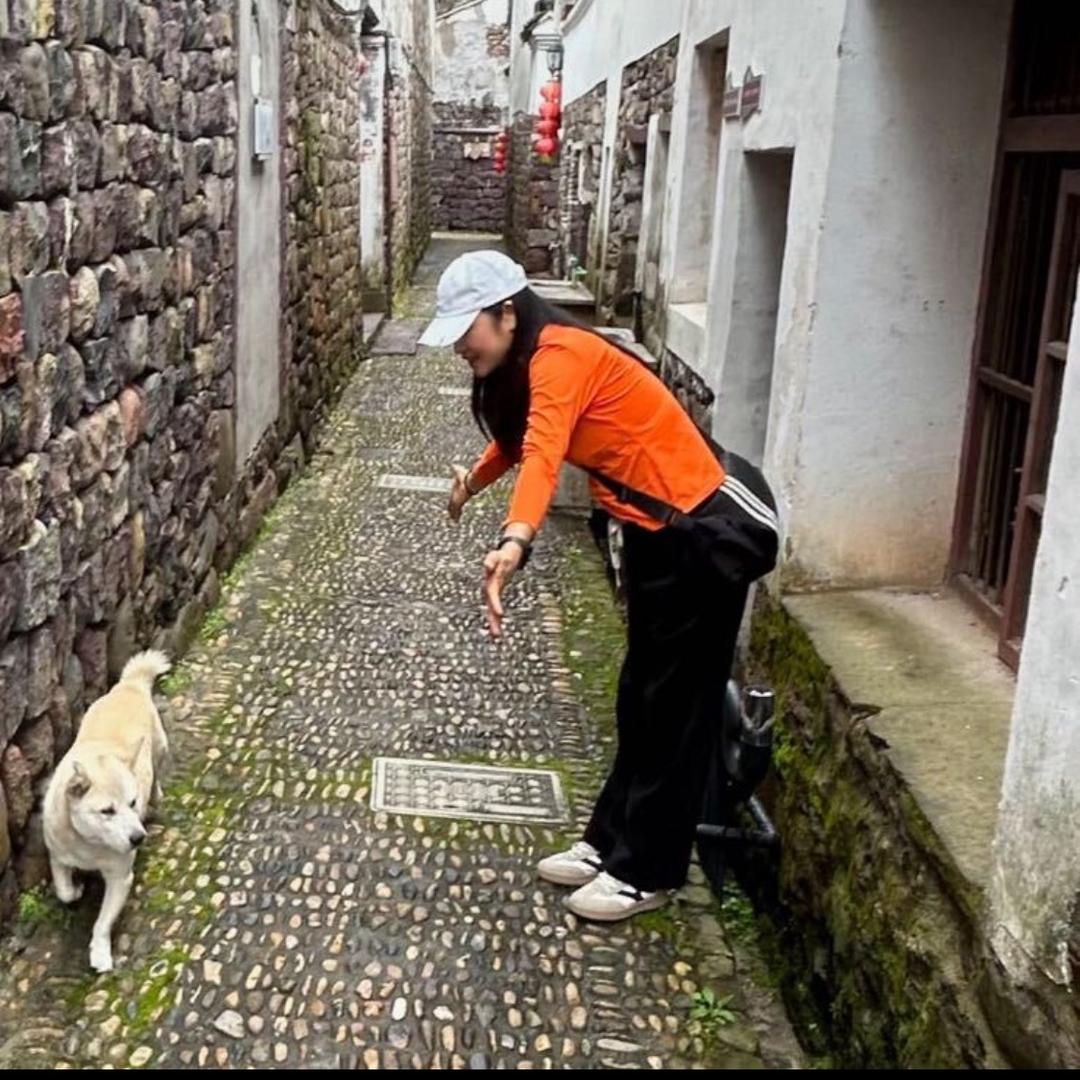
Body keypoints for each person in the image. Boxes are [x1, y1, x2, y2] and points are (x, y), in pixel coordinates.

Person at [418, 250, 779, 922]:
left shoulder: (563, 355)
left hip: (703, 540)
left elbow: (546, 449)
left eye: (470, 333)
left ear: (507, 314)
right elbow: (522, 441)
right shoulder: (531, 361)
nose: (464, 349)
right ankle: (610, 843)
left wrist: (515, 541)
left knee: (677, 710)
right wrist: (474, 479)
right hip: (653, 536)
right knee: (639, 697)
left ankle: (648, 871)